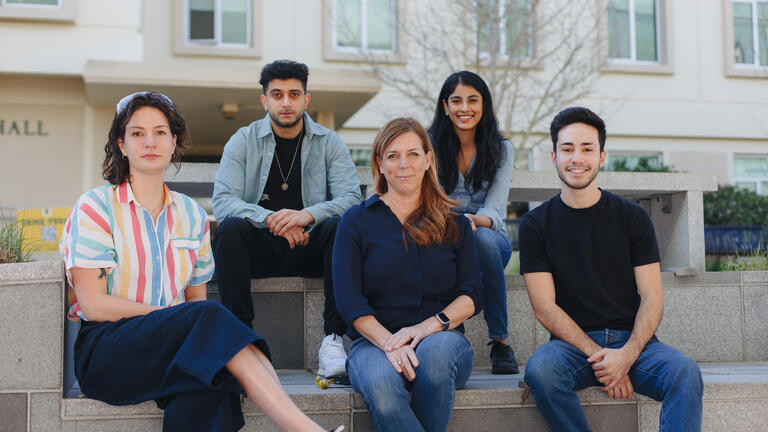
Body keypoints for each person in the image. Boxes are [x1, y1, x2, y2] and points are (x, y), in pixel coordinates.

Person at [60, 91, 343, 432]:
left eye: (160, 132)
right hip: (107, 350)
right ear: (121, 145)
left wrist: (183, 321)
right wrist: (174, 318)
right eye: (137, 133)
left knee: (212, 388)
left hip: (178, 344)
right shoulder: (95, 207)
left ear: (173, 141)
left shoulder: (191, 214)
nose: (150, 141)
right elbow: (93, 305)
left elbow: (195, 302)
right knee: (209, 326)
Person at [519, 107, 703, 431]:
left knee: (685, 372)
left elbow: (652, 297)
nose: (577, 158)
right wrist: (604, 360)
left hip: (635, 342)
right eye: (567, 149)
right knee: (541, 371)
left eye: (587, 149)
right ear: (553, 157)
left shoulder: (632, 217)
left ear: (602, 157)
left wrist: (627, 355)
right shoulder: (536, 224)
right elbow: (544, 308)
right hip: (572, 348)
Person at [212, 60, 362, 378]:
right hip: (260, 249)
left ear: (306, 99)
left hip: (312, 247)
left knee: (340, 227)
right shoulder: (243, 140)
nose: (286, 102)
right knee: (230, 229)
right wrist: (274, 220)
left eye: (294, 94)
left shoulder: (329, 143)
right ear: (264, 100)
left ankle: (333, 339)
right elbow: (224, 202)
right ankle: (241, 343)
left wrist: (306, 215)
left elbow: (352, 200)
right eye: (277, 94)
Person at [333, 117, 483, 432]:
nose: (404, 164)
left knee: (436, 361)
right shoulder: (355, 222)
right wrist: (392, 343)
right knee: (384, 390)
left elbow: (472, 295)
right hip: (374, 342)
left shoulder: (453, 221)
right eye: (392, 155)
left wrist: (428, 328)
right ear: (379, 163)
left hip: (443, 339)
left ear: (428, 160)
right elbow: (349, 302)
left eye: (413, 154)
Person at [428, 71, 519, 374]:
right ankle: (453, 326)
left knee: (478, 239)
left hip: (489, 241)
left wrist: (470, 221)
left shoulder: (501, 148)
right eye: (456, 101)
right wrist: (455, 223)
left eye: (472, 100)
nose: (464, 108)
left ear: (484, 105)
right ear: (445, 107)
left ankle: (501, 342)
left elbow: (494, 208)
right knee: (441, 243)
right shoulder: (428, 147)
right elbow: (427, 201)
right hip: (445, 240)